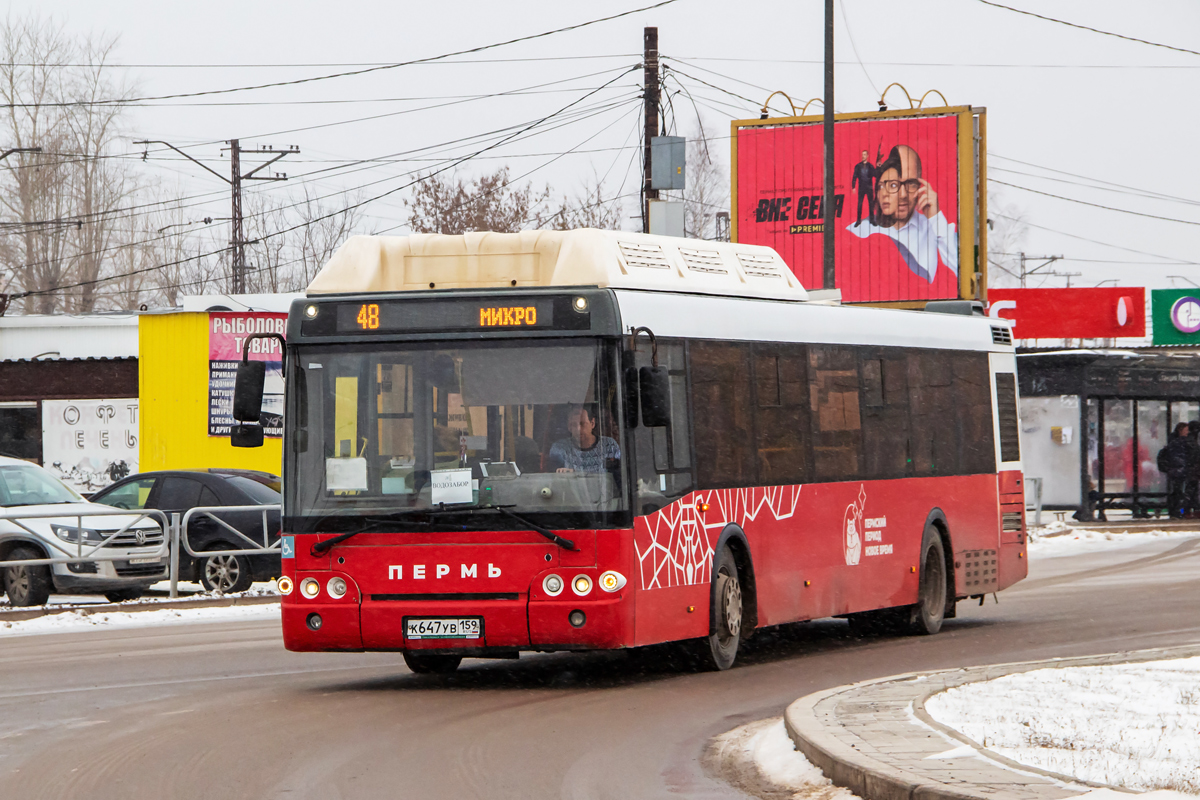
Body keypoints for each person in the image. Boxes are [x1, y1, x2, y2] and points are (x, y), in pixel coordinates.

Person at [845, 144, 958, 283]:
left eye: (911, 184)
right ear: (878, 189)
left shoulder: (935, 228)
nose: (903, 195)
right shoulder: (859, 233)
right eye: (893, 185)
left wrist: (935, 218)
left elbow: (961, 279)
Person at [547, 404, 620, 474]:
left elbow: (619, 475)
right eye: (573, 424)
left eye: (582, 424)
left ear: (592, 423)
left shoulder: (609, 446)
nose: (578, 429)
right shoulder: (559, 448)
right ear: (569, 427)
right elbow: (552, 478)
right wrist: (561, 472)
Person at [1158, 422, 1190, 518]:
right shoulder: (1179, 443)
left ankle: (1177, 511)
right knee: (1180, 493)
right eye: (1186, 430)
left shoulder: (1172, 442)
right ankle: (1180, 511)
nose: (1187, 432)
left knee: (1176, 492)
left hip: (1175, 472)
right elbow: (1179, 458)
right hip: (1179, 472)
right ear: (1180, 431)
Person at [850, 149, 876, 227]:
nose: (863, 156)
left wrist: (878, 167)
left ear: (867, 156)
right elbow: (854, 176)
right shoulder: (858, 166)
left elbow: (875, 175)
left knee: (871, 204)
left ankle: (871, 220)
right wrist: (853, 186)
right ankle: (858, 221)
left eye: (864, 155)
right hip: (861, 187)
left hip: (869, 187)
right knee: (859, 204)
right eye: (862, 154)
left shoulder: (870, 166)